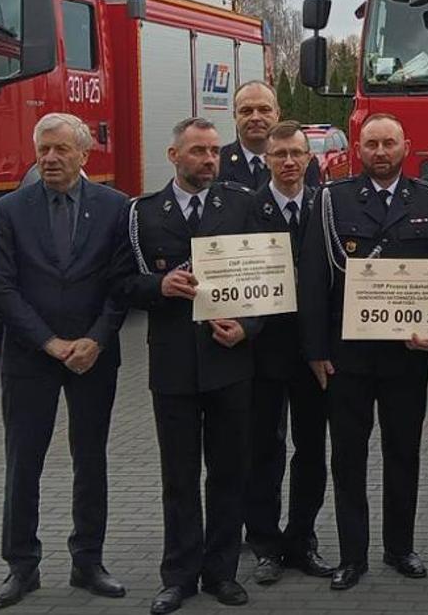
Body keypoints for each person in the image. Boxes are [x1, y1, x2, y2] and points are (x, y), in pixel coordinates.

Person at [119, 117, 266, 614]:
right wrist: (156, 288)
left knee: (229, 472)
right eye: (198, 151)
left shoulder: (242, 205)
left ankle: (221, 572)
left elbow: (269, 281)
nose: (209, 159)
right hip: (175, 368)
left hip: (230, 362)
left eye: (213, 151)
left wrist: (248, 327)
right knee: (179, 476)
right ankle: (178, 575)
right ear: (173, 155)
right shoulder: (143, 213)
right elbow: (119, 283)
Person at [0, 114, 132, 608]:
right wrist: (49, 343)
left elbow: (120, 285)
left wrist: (95, 340)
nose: (49, 159)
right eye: (43, 150)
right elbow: (1, 286)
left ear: (83, 155)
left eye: (60, 151)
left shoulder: (115, 208)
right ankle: (21, 567)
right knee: (23, 463)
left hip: (94, 357)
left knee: (90, 460)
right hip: (32, 357)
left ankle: (88, 561)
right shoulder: (11, 209)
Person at [303, 114, 428, 591]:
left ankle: (400, 547)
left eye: (389, 143)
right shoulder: (332, 199)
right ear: (359, 149)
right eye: (372, 144)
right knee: (348, 456)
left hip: (405, 356)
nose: (381, 151)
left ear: (406, 146)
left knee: (403, 452)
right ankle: (352, 556)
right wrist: (315, 350)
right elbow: (312, 279)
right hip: (346, 357)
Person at [242, 121, 335, 586]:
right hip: (261, 352)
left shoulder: (327, 207)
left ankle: (302, 538)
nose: (289, 163)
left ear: (310, 158)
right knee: (263, 450)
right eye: (280, 155)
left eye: (297, 154)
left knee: (312, 450)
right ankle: (264, 543)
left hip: (314, 352)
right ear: (268, 160)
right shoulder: (247, 208)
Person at [220, 81, 320, 191]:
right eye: (246, 111)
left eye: (264, 110)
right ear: (235, 115)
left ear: (277, 114)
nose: (255, 118)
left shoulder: (303, 162)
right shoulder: (219, 162)